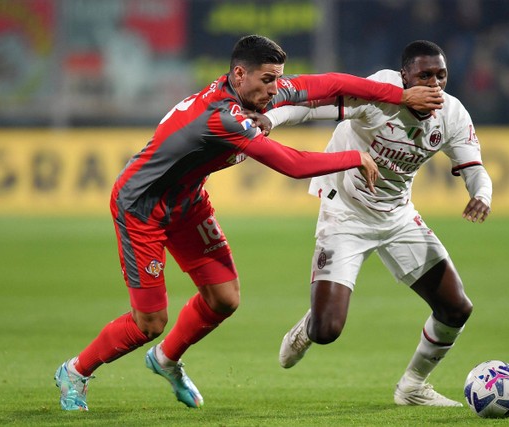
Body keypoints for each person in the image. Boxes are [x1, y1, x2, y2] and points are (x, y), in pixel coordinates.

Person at [53, 35, 445, 411]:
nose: (276, 90)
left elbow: (331, 82)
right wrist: (353, 157)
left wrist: (399, 95)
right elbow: (290, 165)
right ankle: (75, 371)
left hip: (187, 201)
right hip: (142, 207)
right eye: (268, 80)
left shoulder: (256, 88)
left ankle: (166, 360)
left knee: (224, 299)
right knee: (150, 322)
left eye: (278, 79)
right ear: (240, 75)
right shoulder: (222, 116)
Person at [256, 40, 492, 407]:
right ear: (404, 77)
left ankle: (412, 386)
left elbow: (475, 170)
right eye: (424, 75)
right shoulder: (381, 93)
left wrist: (482, 195)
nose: (433, 84)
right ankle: (310, 325)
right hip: (346, 212)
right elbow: (313, 108)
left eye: (440, 75)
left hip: (398, 216)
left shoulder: (453, 115)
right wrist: (271, 118)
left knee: (457, 308)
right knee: (327, 330)